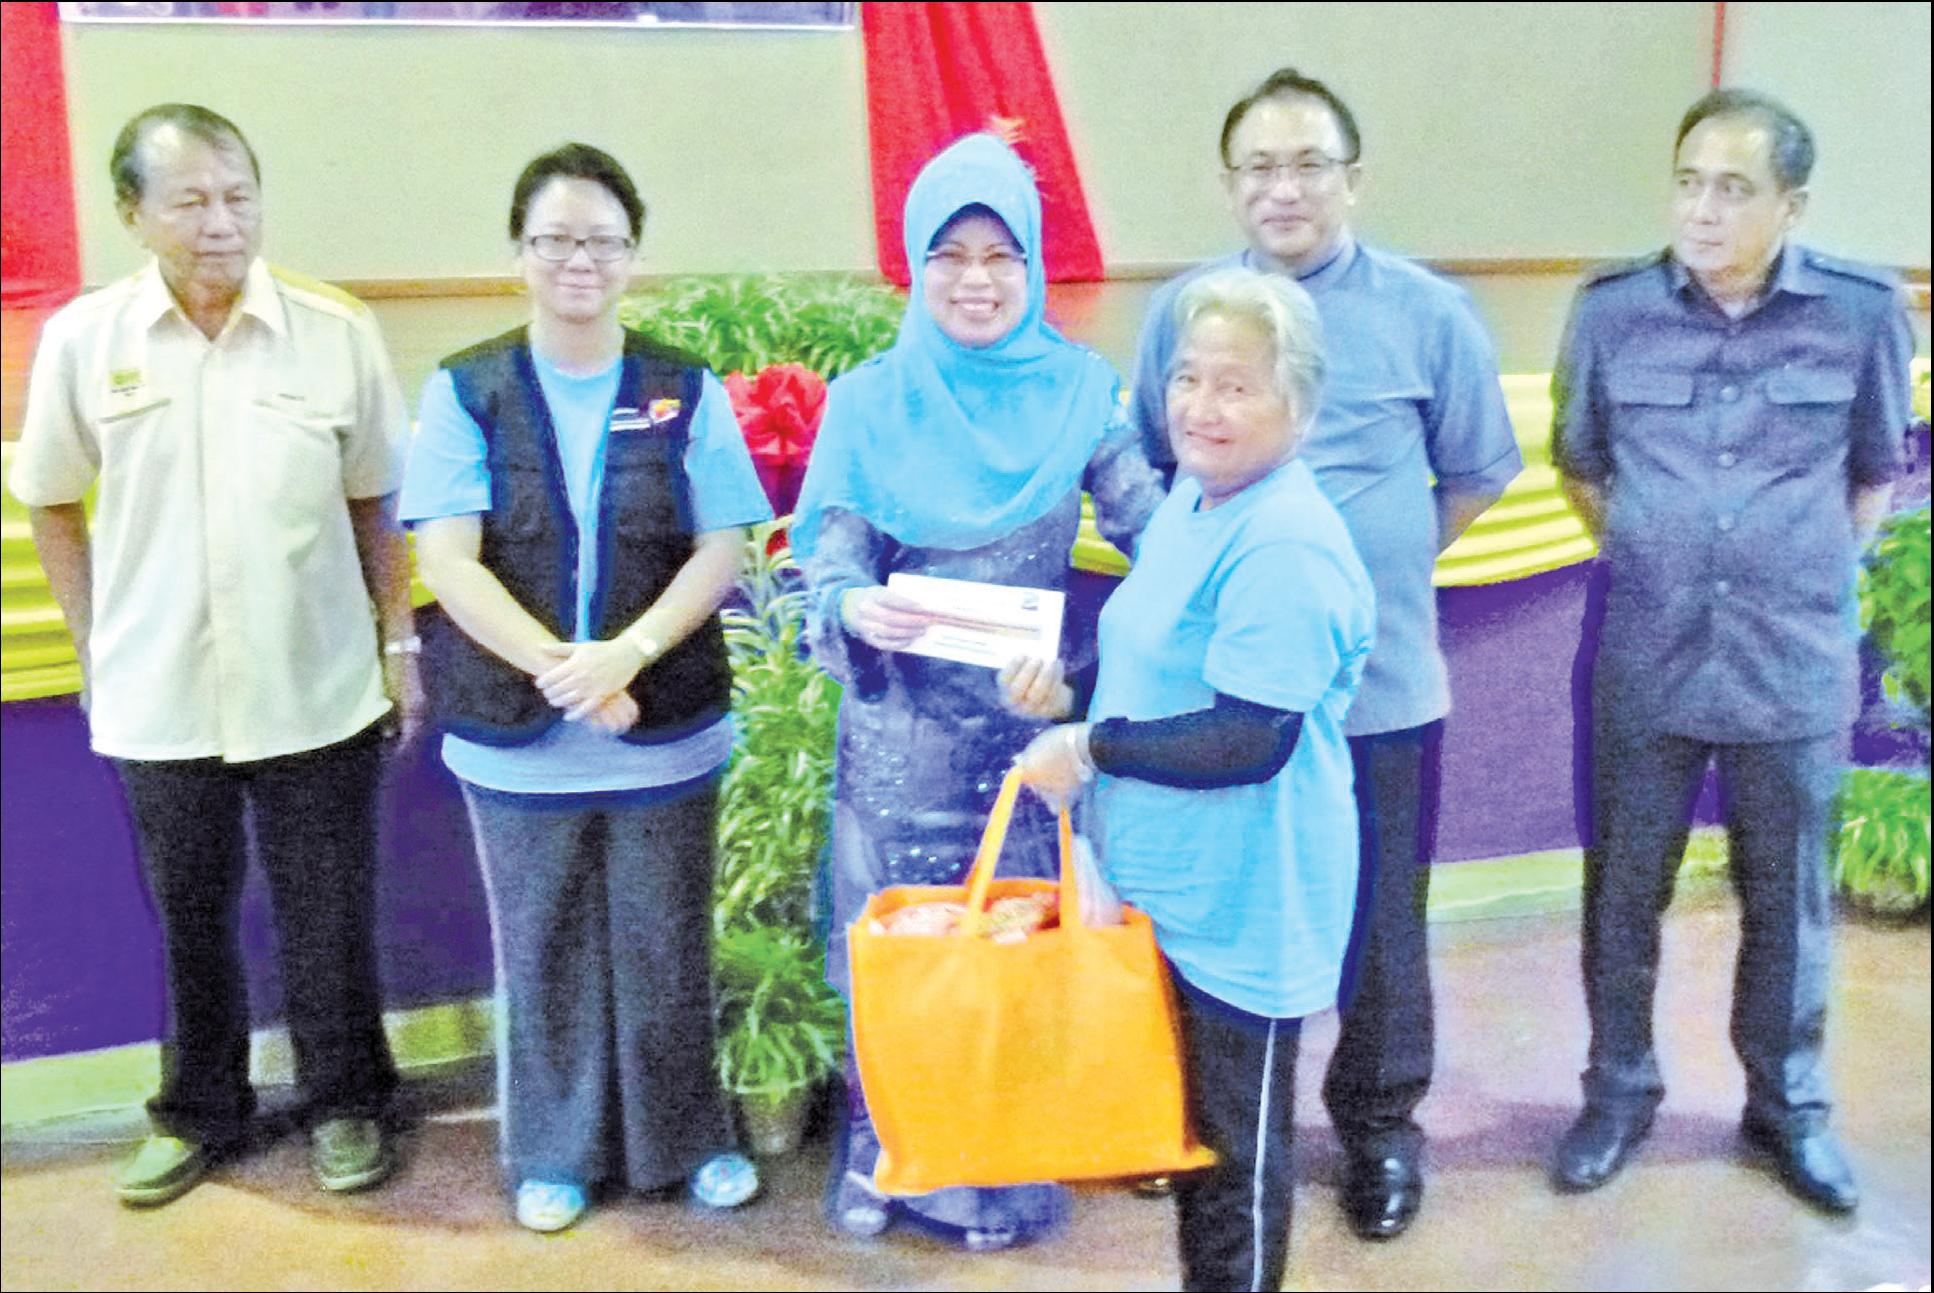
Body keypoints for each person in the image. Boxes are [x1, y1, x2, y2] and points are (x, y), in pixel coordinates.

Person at [1127, 67, 1521, 1240]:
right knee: (1208, 923)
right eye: (1258, 167)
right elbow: (1158, 460)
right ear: (1227, 185)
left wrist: (1347, 587)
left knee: (1377, 930)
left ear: (1353, 179)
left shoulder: (1426, 312)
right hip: (1222, 705)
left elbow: (1476, 472)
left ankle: (1378, 1133)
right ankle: (1199, 1124)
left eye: (1307, 165)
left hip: (1377, 694)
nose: (1282, 188)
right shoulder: (1189, 310)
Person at [8, 104, 415, 1206]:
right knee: (189, 917)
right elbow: (49, 498)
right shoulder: (87, 341)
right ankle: (200, 1112)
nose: (220, 223)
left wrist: (397, 638)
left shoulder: (334, 330)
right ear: (132, 214)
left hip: (316, 678)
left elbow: (377, 499)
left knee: (328, 911)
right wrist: (94, 641)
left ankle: (348, 1102)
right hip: (159, 691)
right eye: (189, 201)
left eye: (238, 197)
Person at [791, 132, 1166, 1249]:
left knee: (1012, 951)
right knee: (897, 955)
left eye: (1002, 254)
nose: (976, 279)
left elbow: (1154, 539)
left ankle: (996, 1158)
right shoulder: (869, 402)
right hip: (898, 735)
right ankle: (882, 1147)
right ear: (916, 263)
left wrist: (1091, 682)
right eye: (948, 254)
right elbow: (832, 558)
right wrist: (855, 605)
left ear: (1033, 263)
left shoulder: (1082, 393)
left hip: (1022, 733)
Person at [1548, 89, 1912, 1214]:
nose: (1701, 211)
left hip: (1789, 662)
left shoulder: (1861, 313)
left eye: (1733, 189)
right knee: (1623, 893)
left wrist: (1786, 572)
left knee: (1787, 903)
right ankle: (1616, 1094)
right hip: (1647, 655)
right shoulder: (1611, 311)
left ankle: (1786, 1108)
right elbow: (1580, 463)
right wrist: (1659, 554)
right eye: (1688, 184)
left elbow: (1873, 471)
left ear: (1790, 205)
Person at [399, 142, 771, 1233]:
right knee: (544, 946)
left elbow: (722, 545)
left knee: (667, 943)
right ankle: (553, 1154)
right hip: (517, 736)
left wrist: (628, 657)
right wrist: (566, 675)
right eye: (555, 239)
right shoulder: (466, 388)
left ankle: (688, 1141)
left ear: (632, 255)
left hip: (663, 726)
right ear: (518, 253)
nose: (579, 260)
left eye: (602, 241)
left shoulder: (682, 387)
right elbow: (448, 561)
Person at [1010, 267, 1374, 1292]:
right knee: (1187, 1145)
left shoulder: (1286, 542)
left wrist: (1091, 748)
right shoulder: (1197, 499)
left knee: (1232, 1164)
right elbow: (1154, 662)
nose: (1200, 407)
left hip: (1248, 897)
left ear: (1297, 408)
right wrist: (1068, 694)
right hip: (1174, 887)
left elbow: (1247, 738)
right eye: (1186, 378)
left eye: (1235, 386)